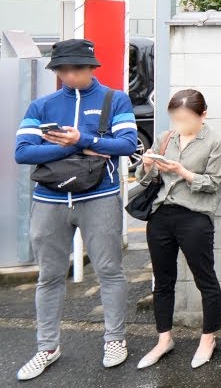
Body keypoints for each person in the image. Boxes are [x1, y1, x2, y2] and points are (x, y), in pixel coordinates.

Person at [14, 39, 138, 380]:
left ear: (91, 67)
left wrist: (80, 139)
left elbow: (126, 144)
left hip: (100, 196)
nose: (69, 75)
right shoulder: (42, 106)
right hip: (50, 200)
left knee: (109, 270)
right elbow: (23, 152)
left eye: (76, 68)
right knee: (49, 276)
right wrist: (77, 149)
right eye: (62, 69)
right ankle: (47, 347)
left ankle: (114, 339)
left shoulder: (115, 99)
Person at [134, 89, 221, 370]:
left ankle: (208, 338)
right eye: (175, 118)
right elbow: (144, 178)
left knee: (205, 278)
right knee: (162, 280)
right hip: (161, 214)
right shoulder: (165, 138)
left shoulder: (214, 141)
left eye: (185, 118)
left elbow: (213, 183)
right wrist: (148, 165)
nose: (179, 124)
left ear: (203, 115)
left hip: (195, 216)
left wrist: (183, 172)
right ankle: (164, 339)